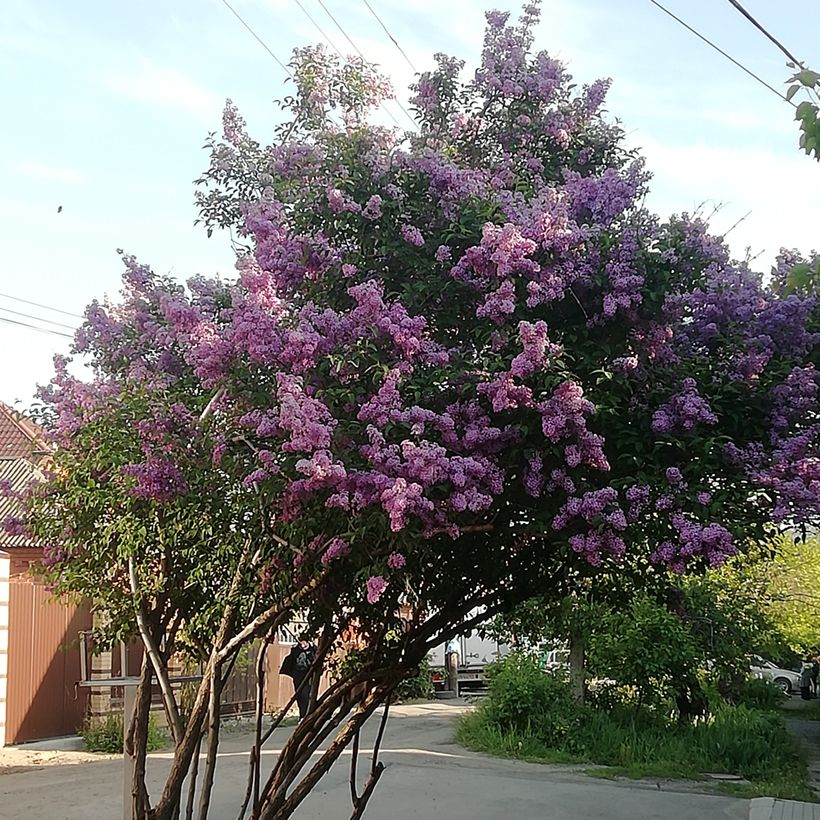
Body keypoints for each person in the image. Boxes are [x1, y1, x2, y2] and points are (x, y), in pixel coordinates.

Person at [280, 633, 317, 719]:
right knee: (299, 695)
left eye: (305, 642)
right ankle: (302, 714)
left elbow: (315, 659)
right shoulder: (295, 650)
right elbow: (291, 661)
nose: (303, 644)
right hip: (297, 675)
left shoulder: (313, 649)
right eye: (301, 642)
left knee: (306, 695)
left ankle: (306, 715)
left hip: (308, 675)